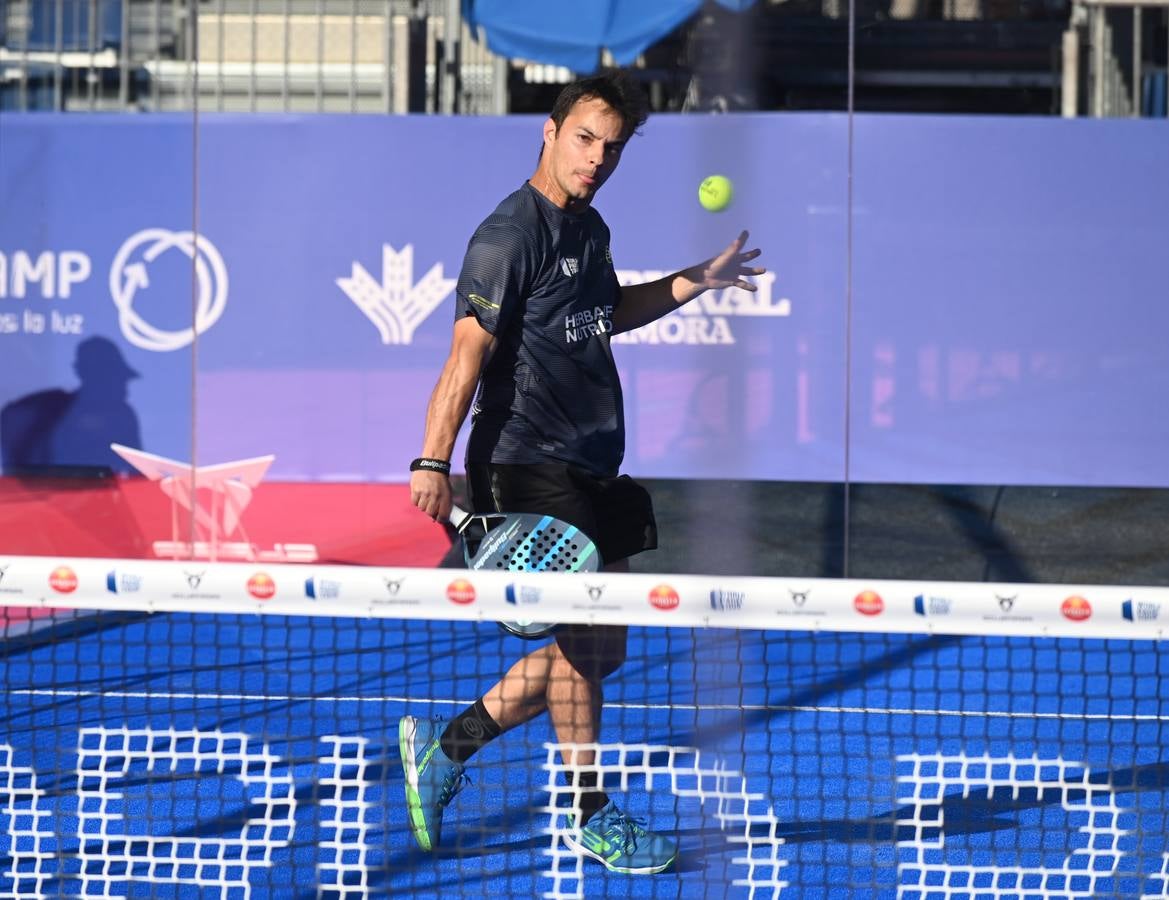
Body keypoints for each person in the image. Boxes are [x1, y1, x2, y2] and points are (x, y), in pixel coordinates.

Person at [402, 68, 765, 875]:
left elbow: (607, 313)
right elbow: (465, 355)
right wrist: (432, 458)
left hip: (594, 461)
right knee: (581, 642)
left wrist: (692, 282)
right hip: (525, 462)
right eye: (584, 138)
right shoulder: (508, 236)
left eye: (612, 146)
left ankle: (448, 748)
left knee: (599, 652)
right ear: (550, 131)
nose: (596, 157)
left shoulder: (589, 228)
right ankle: (588, 811)